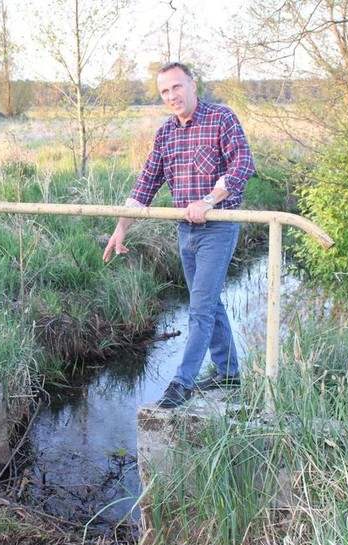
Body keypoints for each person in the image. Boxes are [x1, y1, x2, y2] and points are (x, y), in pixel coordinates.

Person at [102, 62, 255, 409]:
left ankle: (181, 382)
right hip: (185, 231)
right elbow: (146, 184)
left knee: (199, 308)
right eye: (165, 91)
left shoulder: (221, 119)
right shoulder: (165, 134)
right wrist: (120, 229)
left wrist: (208, 200)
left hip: (218, 226)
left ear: (192, 84)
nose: (172, 96)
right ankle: (228, 371)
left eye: (177, 87)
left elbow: (242, 164)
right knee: (209, 302)